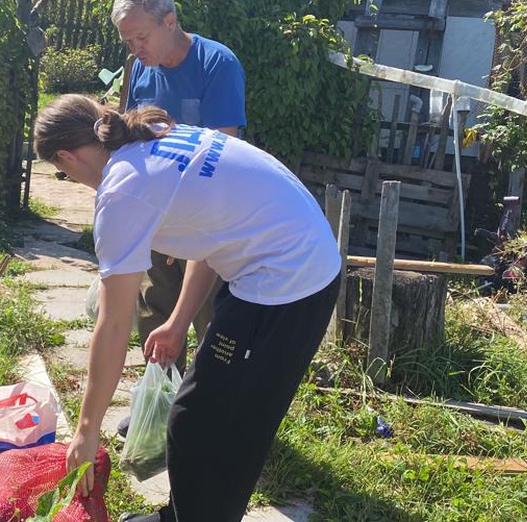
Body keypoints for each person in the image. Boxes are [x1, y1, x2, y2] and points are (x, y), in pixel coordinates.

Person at [34, 94, 341, 522]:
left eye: (62, 172)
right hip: (282, 262)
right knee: (201, 419)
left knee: (214, 425)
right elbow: (212, 231)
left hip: (288, 283)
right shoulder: (156, 139)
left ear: (66, 156)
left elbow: (114, 321)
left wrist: (86, 432)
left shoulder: (123, 190)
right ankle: (184, 514)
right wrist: (178, 322)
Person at [111, 0, 247, 377]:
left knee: (207, 316)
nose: (136, 50)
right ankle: (158, 399)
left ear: (169, 21)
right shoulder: (139, 68)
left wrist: (187, 227)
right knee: (155, 306)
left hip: (207, 216)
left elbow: (223, 158)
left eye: (142, 37)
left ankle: (205, 407)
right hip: (156, 210)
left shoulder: (216, 64)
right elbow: (133, 137)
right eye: (128, 41)